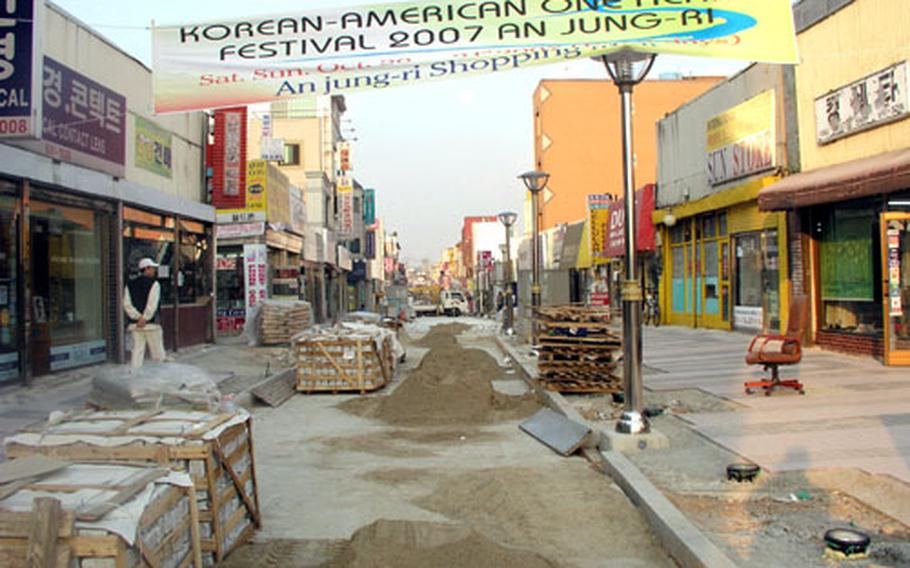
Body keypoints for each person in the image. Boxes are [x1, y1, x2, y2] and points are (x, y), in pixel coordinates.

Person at [123, 258, 165, 368]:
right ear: (146, 269)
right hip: (151, 324)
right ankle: (160, 376)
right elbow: (152, 304)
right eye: (152, 268)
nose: (154, 271)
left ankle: (135, 376)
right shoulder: (154, 284)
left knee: (137, 352)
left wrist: (137, 317)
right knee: (157, 352)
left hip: (135, 324)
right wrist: (145, 318)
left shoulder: (130, 284)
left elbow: (127, 304)